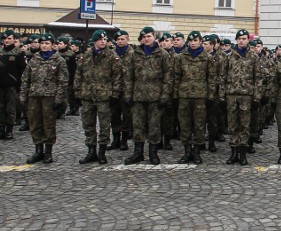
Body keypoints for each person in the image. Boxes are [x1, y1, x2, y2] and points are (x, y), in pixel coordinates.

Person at [124, 27, 173, 166]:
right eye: (144, 36)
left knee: (154, 126)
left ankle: (153, 153)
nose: (147, 39)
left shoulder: (162, 54)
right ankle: (138, 153)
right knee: (138, 125)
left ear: (154, 37)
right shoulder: (135, 54)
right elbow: (129, 76)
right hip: (138, 96)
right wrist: (128, 94)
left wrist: (164, 96)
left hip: (155, 96)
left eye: (149, 36)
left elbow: (168, 77)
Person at [74, 30, 121, 165]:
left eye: (105, 39)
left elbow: (117, 76)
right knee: (88, 124)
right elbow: (79, 75)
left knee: (105, 125)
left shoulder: (112, 56)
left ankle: (102, 152)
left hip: (104, 96)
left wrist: (115, 94)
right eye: (100, 39)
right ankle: (91, 151)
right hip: (88, 95)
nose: (103, 41)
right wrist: (77, 92)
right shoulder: (86, 56)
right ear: (95, 41)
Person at [20, 34, 69, 163]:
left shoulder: (58, 60)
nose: (44, 45)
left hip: (50, 97)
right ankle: (38, 150)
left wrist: (59, 99)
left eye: (47, 43)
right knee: (35, 123)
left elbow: (63, 81)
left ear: (52, 45)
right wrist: (23, 96)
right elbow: (26, 79)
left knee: (48, 124)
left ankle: (48, 152)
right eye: (42, 43)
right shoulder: (34, 59)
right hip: (34, 95)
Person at [219, 29, 263, 166]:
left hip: (246, 96)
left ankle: (243, 154)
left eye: (244, 38)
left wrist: (257, 97)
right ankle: (233, 153)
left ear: (248, 40)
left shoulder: (254, 57)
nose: (241, 41)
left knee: (244, 125)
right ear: (236, 40)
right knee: (232, 125)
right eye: (239, 39)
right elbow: (223, 77)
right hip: (231, 95)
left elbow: (258, 79)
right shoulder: (229, 56)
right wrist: (221, 97)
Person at [172, 31, 213, 164]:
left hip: (200, 96)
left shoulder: (207, 58)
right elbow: (176, 77)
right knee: (185, 124)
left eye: (195, 40)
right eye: (191, 41)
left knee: (199, 124)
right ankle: (187, 151)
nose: (193, 43)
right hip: (184, 95)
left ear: (200, 41)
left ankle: (196, 151)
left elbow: (211, 78)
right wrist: (175, 95)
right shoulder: (181, 57)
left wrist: (211, 96)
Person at [1, 29, 27, 140]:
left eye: (9, 38)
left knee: (10, 108)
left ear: (14, 39)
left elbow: (22, 70)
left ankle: (9, 130)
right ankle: (1, 128)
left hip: (12, 85)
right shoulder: (1, 51)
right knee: (0, 108)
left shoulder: (19, 52)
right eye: (5, 39)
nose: (6, 41)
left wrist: (20, 86)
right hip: (0, 84)